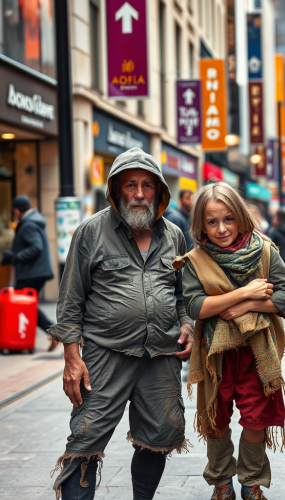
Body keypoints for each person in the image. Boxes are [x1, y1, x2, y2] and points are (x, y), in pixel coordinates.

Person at [48, 148, 194, 499]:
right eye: (131, 185)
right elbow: (70, 300)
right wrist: (71, 358)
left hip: (160, 355)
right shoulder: (91, 232)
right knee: (85, 438)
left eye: (147, 185)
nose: (140, 193)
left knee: (159, 434)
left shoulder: (174, 235)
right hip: (103, 355)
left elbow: (181, 293)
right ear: (116, 189)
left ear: (159, 191)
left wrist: (187, 323)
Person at [175, 182, 285, 500]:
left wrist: (246, 306)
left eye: (228, 219)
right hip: (214, 353)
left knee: (256, 417)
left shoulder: (264, 249)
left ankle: (251, 481)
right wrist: (246, 291)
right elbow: (196, 306)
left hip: (257, 352)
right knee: (216, 418)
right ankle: (221, 481)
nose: (221, 228)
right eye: (212, 221)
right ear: (201, 223)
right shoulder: (197, 260)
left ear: (241, 216)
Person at [1, 195, 56, 351]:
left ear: (17, 210)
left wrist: (15, 256)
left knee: (25, 305)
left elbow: (36, 247)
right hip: (37, 272)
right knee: (28, 305)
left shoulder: (28, 225)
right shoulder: (34, 221)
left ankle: (54, 332)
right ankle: (50, 332)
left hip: (32, 272)